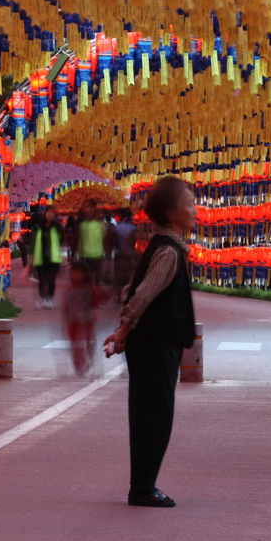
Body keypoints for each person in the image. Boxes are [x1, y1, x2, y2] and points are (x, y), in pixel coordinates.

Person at [104, 176, 197, 508]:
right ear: (172, 214)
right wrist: (123, 332)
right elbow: (142, 296)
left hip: (155, 344)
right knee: (153, 416)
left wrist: (123, 331)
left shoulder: (163, 246)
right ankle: (142, 488)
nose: (195, 211)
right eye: (189, 205)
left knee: (150, 415)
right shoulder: (168, 252)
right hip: (155, 345)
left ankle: (143, 484)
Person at [62, 262, 105, 376]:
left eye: (81, 272)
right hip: (73, 322)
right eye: (74, 272)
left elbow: (97, 301)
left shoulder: (90, 287)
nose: (77, 275)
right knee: (76, 345)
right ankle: (79, 365)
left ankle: (89, 360)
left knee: (90, 343)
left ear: (86, 274)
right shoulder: (69, 289)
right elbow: (66, 306)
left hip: (88, 321)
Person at [29, 207, 64, 309]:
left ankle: (50, 298)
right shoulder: (38, 227)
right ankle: (43, 298)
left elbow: (62, 239)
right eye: (49, 212)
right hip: (41, 257)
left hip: (53, 258)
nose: (50, 215)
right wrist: (31, 255)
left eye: (53, 213)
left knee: (51, 279)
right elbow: (33, 241)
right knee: (42, 279)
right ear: (45, 213)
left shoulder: (57, 227)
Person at [108, 208, 138, 303]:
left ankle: (119, 296)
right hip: (129, 255)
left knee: (119, 277)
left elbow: (114, 241)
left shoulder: (117, 227)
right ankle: (127, 296)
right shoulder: (133, 228)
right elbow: (133, 241)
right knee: (128, 276)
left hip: (119, 255)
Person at [77, 201, 107, 285]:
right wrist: (81, 255)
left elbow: (105, 239)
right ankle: (92, 294)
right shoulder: (84, 225)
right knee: (90, 280)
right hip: (89, 256)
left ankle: (93, 294)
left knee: (94, 279)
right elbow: (81, 240)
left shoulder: (101, 225)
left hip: (97, 256)